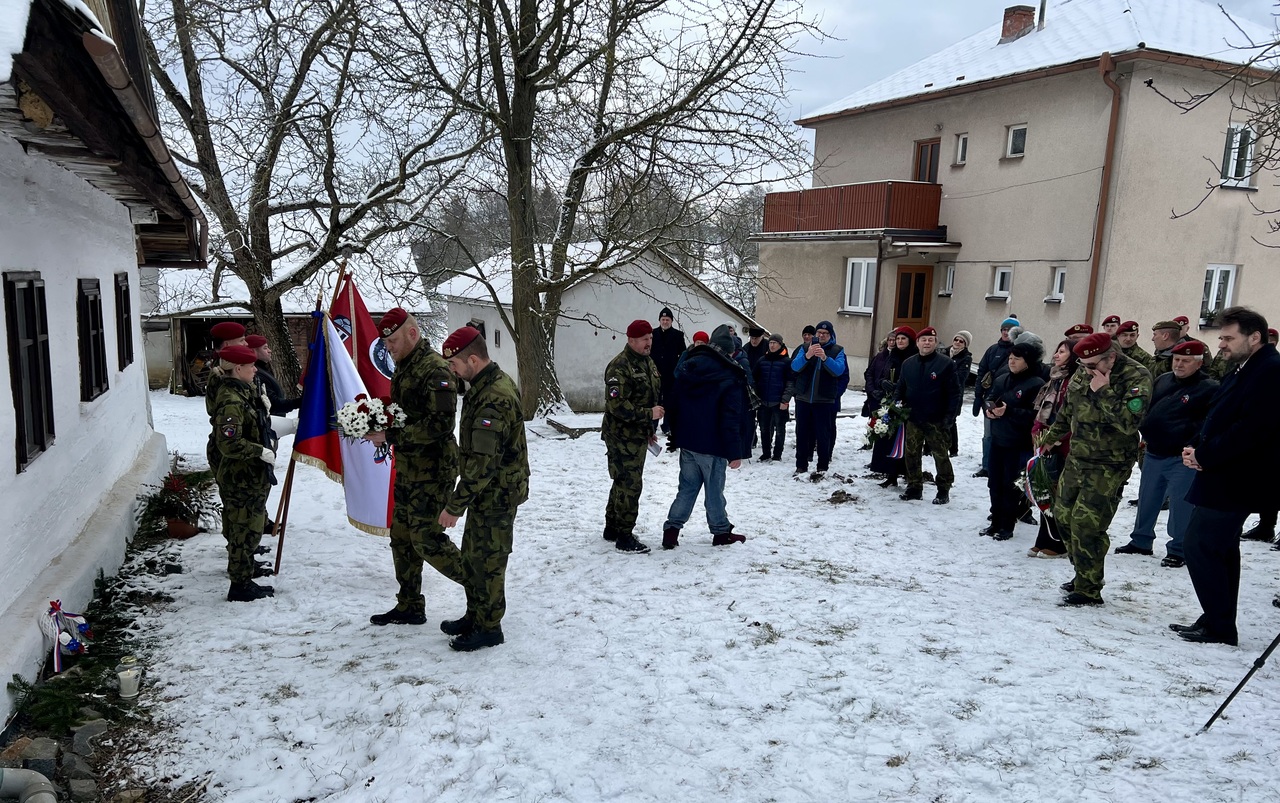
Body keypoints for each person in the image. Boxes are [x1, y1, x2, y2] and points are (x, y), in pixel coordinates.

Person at [1174, 307, 1280, 645]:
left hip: (1238, 477)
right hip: (1222, 471)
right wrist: (1195, 445)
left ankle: (1219, 625)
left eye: (1228, 338)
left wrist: (1205, 455)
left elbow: (1252, 429)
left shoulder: (1270, 371)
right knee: (1219, 548)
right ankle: (1217, 619)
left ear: (1255, 337)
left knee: (1200, 544)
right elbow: (1219, 415)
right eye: (1221, 337)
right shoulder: (1245, 367)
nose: (1221, 344)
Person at [430, 326, 530, 651]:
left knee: (489, 560)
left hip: (497, 493)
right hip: (486, 493)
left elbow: (483, 464)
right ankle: (476, 614)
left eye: (455, 364)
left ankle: (489, 627)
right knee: (475, 555)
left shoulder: (494, 397)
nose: (452, 371)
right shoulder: (483, 386)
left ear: (473, 360)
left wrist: (454, 506)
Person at [362, 309, 461, 628]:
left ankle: (481, 587)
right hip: (408, 467)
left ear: (412, 334)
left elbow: (441, 425)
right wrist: (379, 421)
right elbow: (407, 412)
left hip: (433, 470)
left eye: (392, 341)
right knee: (402, 538)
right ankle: (409, 605)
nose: (388, 347)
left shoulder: (435, 369)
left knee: (427, 539)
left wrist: (391, 435)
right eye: (385, 343)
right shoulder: (404, 365)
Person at [1042, 333, 1152, 605]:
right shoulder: (1085, 369)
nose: (1086, 370)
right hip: (1078, 457)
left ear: (1111, 357)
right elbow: (1068, 410)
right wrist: (1050, 438)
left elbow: (1129, 424)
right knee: (1063, 516)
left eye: (1092, 366)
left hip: (1109, 463)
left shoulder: (1136, 376)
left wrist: (1103, 390)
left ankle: (1089, 588)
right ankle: (1083, 572)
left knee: (1087, 524)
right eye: (1083, 365)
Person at [1112, 340, 1218, 568]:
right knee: (1147, 499)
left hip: (1182, 457)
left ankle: (1179, 549)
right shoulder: (1162, 380)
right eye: (1176, 359)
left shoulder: (1209, 388)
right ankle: (1141, 540)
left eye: (1185, 361)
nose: (1179, 364)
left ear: (1199, 364)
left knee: (1181, 505)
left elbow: (1209, 423)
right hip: (1154, 451)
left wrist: (1193, 444)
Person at [662, 324, 753, 549]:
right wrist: (735, 451)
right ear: (729, 351)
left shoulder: (690, 365)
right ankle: (721, 532)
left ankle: (671, 530)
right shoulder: (730, 374)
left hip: (688, 441)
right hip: (714, 444)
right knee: (714, 491)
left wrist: (674, 433)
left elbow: (673, 401)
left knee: (687, 488)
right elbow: (730, 417)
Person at [208, 345, 277, 602]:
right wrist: (259, 451)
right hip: (240, 477)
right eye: (250, 366)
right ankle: (240, 585)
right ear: (238, 369)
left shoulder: (243, 392)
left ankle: (245, 572)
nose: (255, 370)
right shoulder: (231, 400)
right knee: (242, 530)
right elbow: (229, 443)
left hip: (250, 475)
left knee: (250, 528)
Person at [602, 319, 663, 553]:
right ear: (631, 340)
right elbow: (617, 405)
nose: (649, 343)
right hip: (621, 436)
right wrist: (649, 414)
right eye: (644, 339)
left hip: (637, 434)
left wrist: (648, 429)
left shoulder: (647, 362)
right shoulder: (619, 367)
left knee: (622, 480)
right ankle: (625, 536)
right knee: (630, 484)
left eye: (651, 338)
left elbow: (649, 394)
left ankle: (612, 527)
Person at [981, 335, 1045, 539]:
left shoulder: (1036, 384)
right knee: (994, 483)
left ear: (1028, 361)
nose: (1012, 361)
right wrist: (989, 410)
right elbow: (990, 398)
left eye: (1017, 358)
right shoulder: (1002, 378)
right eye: (1010, 358)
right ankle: (995, 521)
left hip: (1018, 443)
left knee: (1010, 485)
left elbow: (1036, 416)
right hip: (998, 439)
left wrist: (1009, 411)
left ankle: (1007, 526)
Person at [1026, 339, 1079, 558]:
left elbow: (1070, 417)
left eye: (1062, 352)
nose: (1056, 355)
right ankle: (1043, 539)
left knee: (1060, 496)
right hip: (1046, 445)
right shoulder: (1055, 379)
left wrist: (1054, 438)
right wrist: (1037, 432)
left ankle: (1059, 543)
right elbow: (1042, 411)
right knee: (1044, 492)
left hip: (1064, 447)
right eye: (1057, 351)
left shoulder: (1075, 381)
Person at [894, 327, 960, 504]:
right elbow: (901, 387)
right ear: (917, 343)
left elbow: (954, 393)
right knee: (911, 454)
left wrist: (950, 417)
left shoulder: (946, 364)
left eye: (931, 340)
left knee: (941, 455)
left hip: (936, 419)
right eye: (923, 340)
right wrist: (896, 404)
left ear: (936, 343)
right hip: (913, 417)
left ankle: (943, 489)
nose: (927, 343)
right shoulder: (908, 364)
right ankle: (914, 487)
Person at [790, 320, 847, 476]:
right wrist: (808, 355)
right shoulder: (804, 348)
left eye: (825, 333)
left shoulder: (837, 350)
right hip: (803, 398)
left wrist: (825, 358)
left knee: (823, 434)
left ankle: (822, 466)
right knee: (802, 433)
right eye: (819, 333)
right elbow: (794, 367)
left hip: (824, 400)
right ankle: (801, 465)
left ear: (830, 335)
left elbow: (839, 370)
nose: (821, 335)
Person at [972, 317, 1018, 477]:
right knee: (988, 434)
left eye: (1009, 330)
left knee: (1007, 435)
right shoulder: (992, 350)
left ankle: (1004, 466)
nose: (1006, 333)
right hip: (991, 398)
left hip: (1012, 400)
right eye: (1004, 329)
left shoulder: (1020, 351)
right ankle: (987, 466)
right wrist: (978, 395)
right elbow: (981, 372)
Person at [870, 327, 917, 485]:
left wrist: (899, 387)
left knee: (905, 441)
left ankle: (909, 475)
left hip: (907, 404)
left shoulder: (914, 357)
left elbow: (915, 380)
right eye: (898, 339)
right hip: (890, 401)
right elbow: (880, 375)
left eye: (903, 338)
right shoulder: (892, 356)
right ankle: (891, 475)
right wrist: (883, 382)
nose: (899, 341)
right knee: (889, 439)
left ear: (910, 340)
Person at [753, 333, 794, 462]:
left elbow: (791, 382)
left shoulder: (787, 362)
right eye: (770, 343)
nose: (772, 345)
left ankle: (777, 454)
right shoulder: (762, 360)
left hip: (779, 401)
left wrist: (785, 399)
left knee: (780, 429)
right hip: (763, 400)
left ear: (780, 345)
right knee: (764, 429)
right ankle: (766, 453)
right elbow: (754, 379)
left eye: (774, 343)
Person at [650, 308, 686, 436]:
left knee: (669, 401)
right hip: (655, 374)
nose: (665, 322)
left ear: (671, 321)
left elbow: (683, 355)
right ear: (659, 320)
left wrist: (678, 370)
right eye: (663, 319)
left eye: (667, 320)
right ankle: (653, 425)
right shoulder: (652, 334)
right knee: (654, 400)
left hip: (671, 374)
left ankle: (667, 426)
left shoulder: (678, 335)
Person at [246, 334, 301, 416]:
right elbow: (272, 404)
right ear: (253, 351)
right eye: (265, 348)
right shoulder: (256, 374)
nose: (269, 351)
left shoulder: (263, 370)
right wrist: (298, 402)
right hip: (272, 420)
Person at [947, 331, 973, 456]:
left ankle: (953, 449)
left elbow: (961, 377)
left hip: (954, 394)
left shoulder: (966, 358)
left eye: (961, 341)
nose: (957, 342)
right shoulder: (944, 352)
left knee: (951, 421)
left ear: (965, 344)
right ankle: (929, 448)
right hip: (939, 392)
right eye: (956, 339)